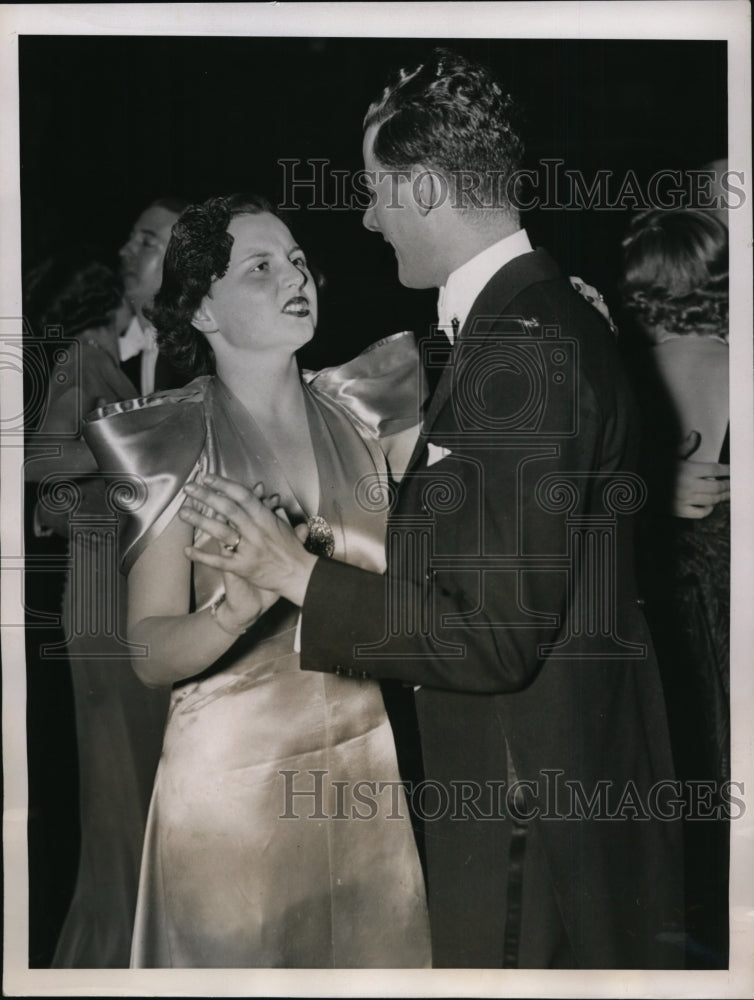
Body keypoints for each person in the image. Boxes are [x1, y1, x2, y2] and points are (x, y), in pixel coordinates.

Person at [182, 50, 685, 969]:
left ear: (421, 188)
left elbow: (494, 640)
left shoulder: (523, 348)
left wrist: (294, 572)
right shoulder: (531, 320)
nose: (368, 219)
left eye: (376, 190)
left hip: (522, 798)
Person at [83, 194, 430, 968]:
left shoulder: (367, 410)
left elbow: (462, 521)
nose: (294, 278)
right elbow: (148, 652)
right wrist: (231, 614)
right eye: (261, 267)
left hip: (365, 772)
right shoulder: (171, 438)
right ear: (203, 310)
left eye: (298, 261)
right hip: (232, 799)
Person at [23, 253, 172, 967]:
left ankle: (134, 944)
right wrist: (132, 444)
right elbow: (39, 461)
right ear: (111, 302)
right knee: (120, 785)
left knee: (134, 781)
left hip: (114, 583)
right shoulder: (84, 360)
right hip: (101, 598)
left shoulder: (110, 364)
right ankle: (116, 953)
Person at [620, 208, 730, 967]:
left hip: (663, 592)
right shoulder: (737, 364)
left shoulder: (630, 376)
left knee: (679, 744)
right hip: (731, 588)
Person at [117, 197, 190, 393]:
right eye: (131, 238)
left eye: (147, 242)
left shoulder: (201, 355)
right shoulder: (114, 348)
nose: (124, 251)